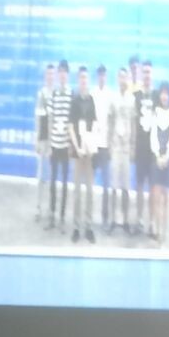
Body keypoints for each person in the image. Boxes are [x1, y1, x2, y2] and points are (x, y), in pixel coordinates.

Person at [148, 81, 169, 247]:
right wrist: (157, 156)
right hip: (156, 159)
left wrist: (166, 156)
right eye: (162, 93)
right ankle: (158, 230)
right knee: (156, 197)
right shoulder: (155, 113)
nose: (164, 96)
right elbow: (153, 136)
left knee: (167, 198)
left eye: (166, 94)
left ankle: (164, 232)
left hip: (168, 159)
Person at [69, 66, 98, 245]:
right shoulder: (74, 101)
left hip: (89, 152)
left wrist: (91, 145)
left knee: (89, 190)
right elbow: (71, 127)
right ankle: (76, 227)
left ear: (88, 80)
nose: (83, 81)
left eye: (86, 78)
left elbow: (94, 124)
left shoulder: (92, 100)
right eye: (81, 78)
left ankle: (88, 227)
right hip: (78, 152)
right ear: (78, 80)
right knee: (78, 191)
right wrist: (77, 146)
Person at [107, 64, 135, 236]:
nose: (122, 80)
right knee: (114, 186)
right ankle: (112, 220)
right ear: (117, 79)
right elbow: (110, 120)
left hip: (126, 148)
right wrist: (109, 143)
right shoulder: (113, 97)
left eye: (125, 77)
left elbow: (133, 123)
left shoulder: (132, 99)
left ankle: (125, 221)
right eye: (120, 77)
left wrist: (133, 146)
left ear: (127, 79)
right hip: (116, 147)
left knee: (125, 187)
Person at [45, 61, 73, 231]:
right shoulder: (54, 94)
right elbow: (50, 119)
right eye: (60, 72)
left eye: (64, 72)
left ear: (67, 75)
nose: (62, 75)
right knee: (53, 182)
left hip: (66, 146)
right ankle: (52, 216)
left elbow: (72, 121)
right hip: (54, 145)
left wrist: (71, 145)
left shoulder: (71, 94)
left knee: (64, 182)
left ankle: (62, 218)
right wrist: (49, 144)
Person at [132, 61, 156, 235]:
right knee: (139, 185)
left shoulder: (157, 96)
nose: (147, 75)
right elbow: (133, 123)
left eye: (149, 72)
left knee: (153, 187)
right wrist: (133, 146)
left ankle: (152, 223)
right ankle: (139, 220)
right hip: (140, 148)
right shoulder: (136, 96)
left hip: (153, 149)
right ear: (141, 75)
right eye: (144, 72)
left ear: (152, 74)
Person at [33, 62, 55, 224]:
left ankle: (49, 208)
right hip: (43, 139)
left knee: (51, 176)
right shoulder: (41, 94)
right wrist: (36, 139)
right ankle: (38, 207)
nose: (50, 76)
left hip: (54, 141)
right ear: (45, 76)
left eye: (52, 74)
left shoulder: (57, 94)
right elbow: (38, 118)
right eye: (48, 74)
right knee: (41, 175)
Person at [91, 65, 112, 230]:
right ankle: (88, 216)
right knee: (90, 182)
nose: (102, 77)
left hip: (105, 145)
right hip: (93, 144)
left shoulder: (110, 95)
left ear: (106, 76)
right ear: (97, 76)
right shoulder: (92, 93)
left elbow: (112, 120)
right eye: (100, 75)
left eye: (104, 75)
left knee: (106, 183)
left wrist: (110, 142)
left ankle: (105, 218)